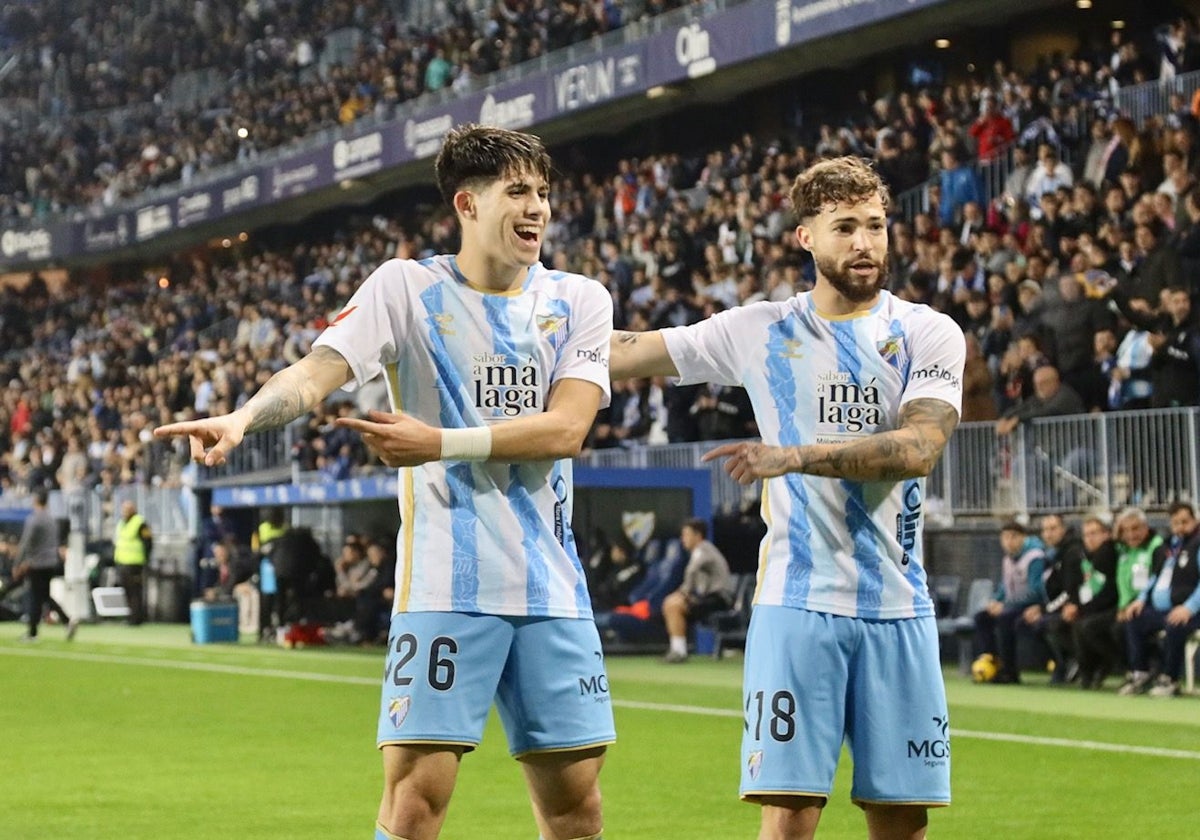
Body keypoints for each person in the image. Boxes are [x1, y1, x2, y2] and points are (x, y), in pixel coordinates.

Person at [155, 124, 615, 840]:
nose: (538, 208)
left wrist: (437, 442)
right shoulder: (407, 287)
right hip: (443, 588)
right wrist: (245, 418)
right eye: (517, 191)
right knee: (413, 807)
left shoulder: (579, 299)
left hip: (552, 589)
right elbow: (317, 372)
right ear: (466, 203)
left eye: (543, 193)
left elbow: (567, 430)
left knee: (576, 813)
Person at [610, 156, 964, 839]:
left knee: (903, 821)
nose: (865, 242)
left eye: (876, 226)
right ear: (805, 237)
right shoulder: (760, 330)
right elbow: (628, 351)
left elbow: (919, 448)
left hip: (900, 605)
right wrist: (527, 313)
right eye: (845, 228)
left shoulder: (927, 331)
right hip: (797, 603)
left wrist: (795, 456)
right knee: (790, 817)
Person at [1118, 502, 1200, 697]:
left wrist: (1189, 607)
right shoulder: (1171, 546)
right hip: (1167, 609)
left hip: (1192, 610)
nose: (1180, 527)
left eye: (1184, 522)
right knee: (1135, 619)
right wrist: (1140, 599)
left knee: (1175, 624)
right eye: (1175, 523)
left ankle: (1170, 679)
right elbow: (1156, 576)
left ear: (1195, 520)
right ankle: (1141, 673)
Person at [973, 520, 1046, 685]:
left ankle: (1010, 671)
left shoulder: (1034, 557)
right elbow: (1004, 587)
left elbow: (1036, 592)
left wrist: (1005, 605)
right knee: (982, 617)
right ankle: (992, 662)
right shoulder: (1007, 559)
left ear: (1023, 538)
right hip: (1010, 606)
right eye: (1005, 537)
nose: (1009, 542)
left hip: (1031, 607)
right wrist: (995, 601)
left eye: (1013, 537)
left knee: (1005, 618)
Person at [1019, 513, 1084, 683]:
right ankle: (1062, 663)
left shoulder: (1072, 551)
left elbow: (1069, 590)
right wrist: (1041, 607)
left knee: (1045, 622)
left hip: (1076, 605)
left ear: (1063, 529)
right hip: (1058, 605)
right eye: (1045, 530)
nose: (1048, 533)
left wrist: (1044, 609)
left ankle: (1072, 662)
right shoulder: (1053, 554)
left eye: (1053, 529)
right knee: (1023, 621)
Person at [661, 518, 734, 663]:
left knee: (674, 604)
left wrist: (683, 593)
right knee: (670, 603)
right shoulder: (699, 551)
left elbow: (692, 571)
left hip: (720, 599)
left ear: (698, 535)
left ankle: (679, 651)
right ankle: (677, 649)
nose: (683, 539)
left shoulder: (703, 549)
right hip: (709, 598)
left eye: (686, 534)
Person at [1063, 514, 1121, 690]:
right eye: (1086, 534)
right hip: (1094, 607)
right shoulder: (1082, 556)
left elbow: (1109, 591)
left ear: (1107, 534)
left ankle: (1116, 663)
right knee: (1074, 624)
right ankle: (1087, 672)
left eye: (1095, 533)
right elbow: (1079, 587)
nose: (1090, 538)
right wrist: (1075, 605)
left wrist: (1082, 608)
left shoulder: (1110, 553)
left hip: (1114, 607)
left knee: (1086, 625)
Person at [15, 490, 77, 642]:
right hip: (50, 562)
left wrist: (19, 563)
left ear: (35, 500)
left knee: (36, 596)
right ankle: (65, 620)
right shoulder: (51, 519)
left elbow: (26, 543)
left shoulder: (34, 519)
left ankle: (33, 632)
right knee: (43, 595)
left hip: (36, 563)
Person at [113, 499, 152, 626]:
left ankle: (137, 618)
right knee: (127, 591)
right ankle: (131, 616)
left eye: (127, 509)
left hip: (135, 562)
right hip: (122, 561)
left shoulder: (140, 522)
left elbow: (148, 542)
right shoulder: (122, 523)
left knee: (135, 591)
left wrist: (146, 559)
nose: (124, 511)